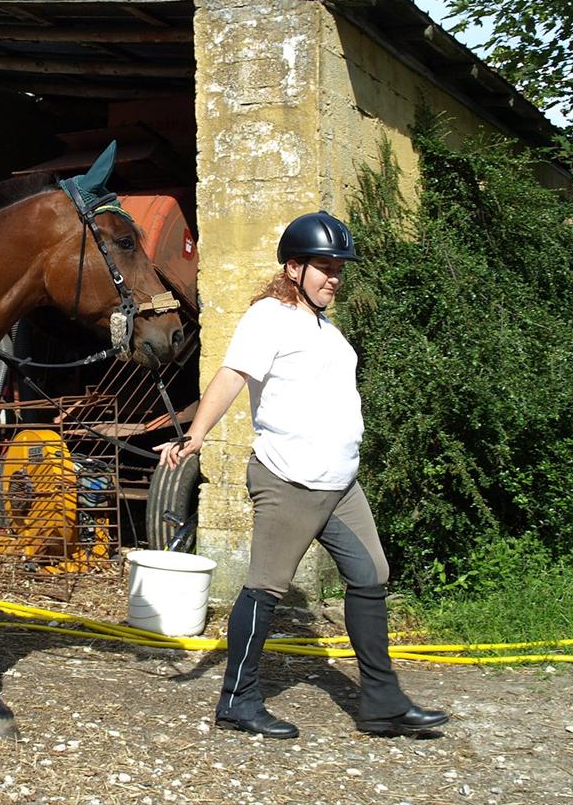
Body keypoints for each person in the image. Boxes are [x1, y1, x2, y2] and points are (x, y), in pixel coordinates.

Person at [157, 211, 448, 740]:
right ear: (293, 268)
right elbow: (232, 374)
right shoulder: (269, 316)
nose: (333, 276)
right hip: (290, 478)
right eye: (323, 266)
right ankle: (237, 701)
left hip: (340, 482)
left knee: (370, 576)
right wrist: (196, 434)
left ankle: (382, 703)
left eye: (339, 268)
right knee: (265, 588)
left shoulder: (323, 324)